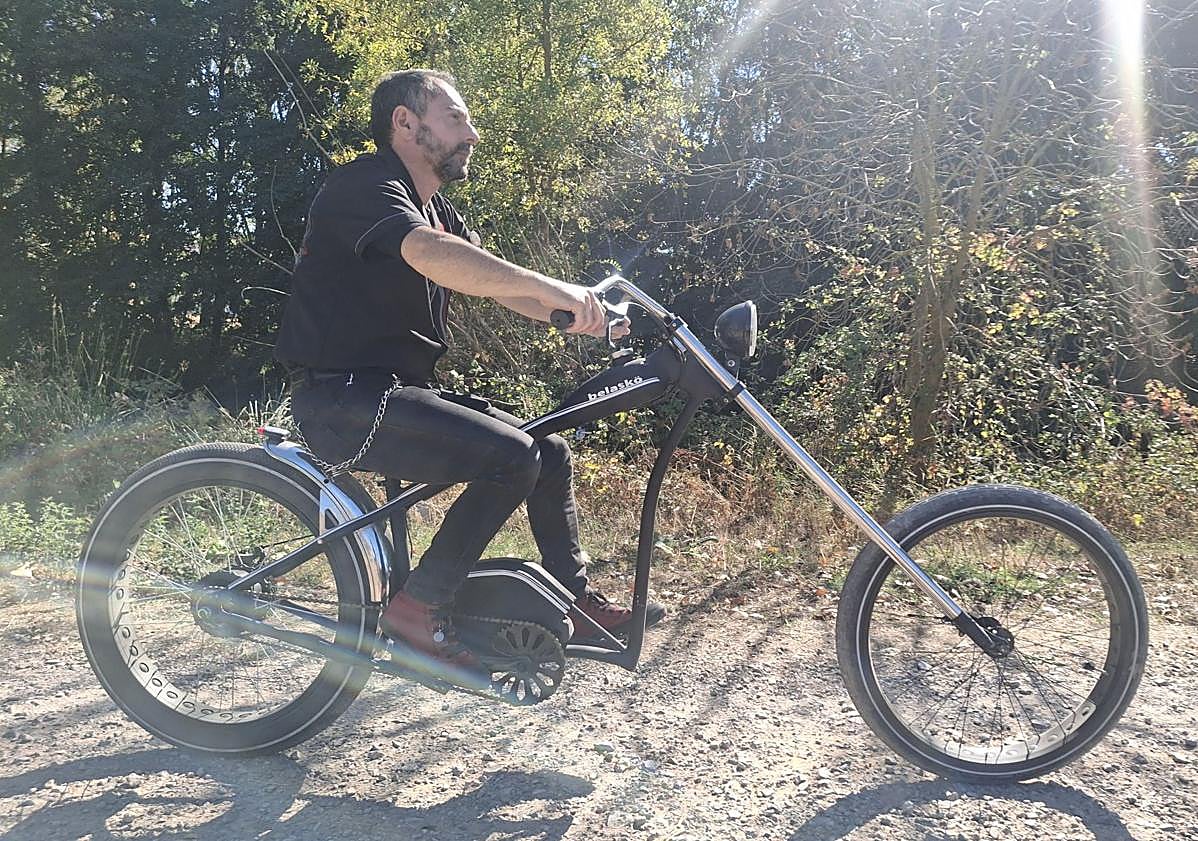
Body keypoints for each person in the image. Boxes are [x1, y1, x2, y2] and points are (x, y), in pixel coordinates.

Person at [274, 68, 664, 681]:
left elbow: (497, 286)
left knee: (549, 448)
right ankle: (417, 607)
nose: (473, 134)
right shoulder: (365, 187)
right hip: (341, 399)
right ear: (406, 122)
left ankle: (574, 602)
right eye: (456, 117)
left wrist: (593, 317)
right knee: (511, 457)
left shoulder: (437, 211)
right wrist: (552, 287)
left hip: (393, 395)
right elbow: (432, 257)